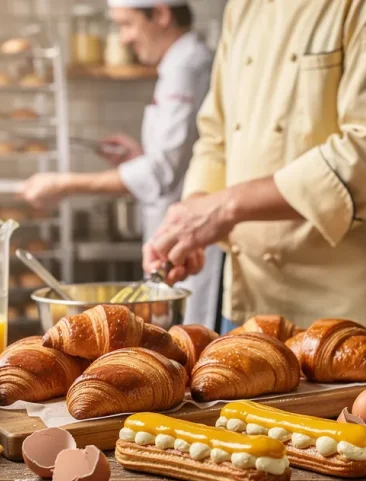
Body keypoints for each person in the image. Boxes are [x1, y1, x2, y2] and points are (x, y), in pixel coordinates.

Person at [142, 0, 366, 337]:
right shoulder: (245, 5)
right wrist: (193, 214)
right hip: (249, 308)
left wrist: (221, 210)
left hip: (357, 315)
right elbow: (217, 135)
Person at [19, 0, 222, 328]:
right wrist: (137, 157)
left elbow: (161, 173)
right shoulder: (178, 65)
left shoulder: (187, 67)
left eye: (127, 25)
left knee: (185, 343)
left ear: (161, 14)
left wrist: (65, 184)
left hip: (190, 247)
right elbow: (175, 160)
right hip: (172, 240)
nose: (123, 39)